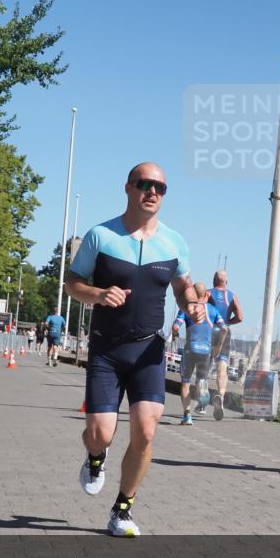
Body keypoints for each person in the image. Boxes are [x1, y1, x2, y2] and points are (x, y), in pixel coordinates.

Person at [65, 162, 202, 537]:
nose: (152, 191)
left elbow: (183, 287)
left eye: (160, 187)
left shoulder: (174, 242)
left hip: (149, 350)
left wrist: (192, 304)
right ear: (128, 188)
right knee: (100, 434)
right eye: (144, 184)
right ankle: (96, 456)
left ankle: (122, 511)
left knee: (146, 431)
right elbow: (73, 282)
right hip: (107, 350)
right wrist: (97, 294)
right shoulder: (101, 236)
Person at [172, 282, 226, 425]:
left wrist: (175, 334)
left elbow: (176, 326)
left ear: (193, 294)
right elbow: (224, 329)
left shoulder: (187, 308)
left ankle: (187, 416)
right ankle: (203, 396)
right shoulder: (213, 310)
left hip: (190, 349)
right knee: (201, 380)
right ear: (206, 294)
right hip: (206, 351)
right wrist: (218, 346)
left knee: (185, 383)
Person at [207, 269, 243, 421]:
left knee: (203, 366)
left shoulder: (208, 293)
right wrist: (227, 322)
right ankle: (220, 394)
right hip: (224, 332)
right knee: (222, 367)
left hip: (208, 331)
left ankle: (202, 398)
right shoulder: (232, 296)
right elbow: (240, 317)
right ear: (226, 282)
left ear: (213, 280)